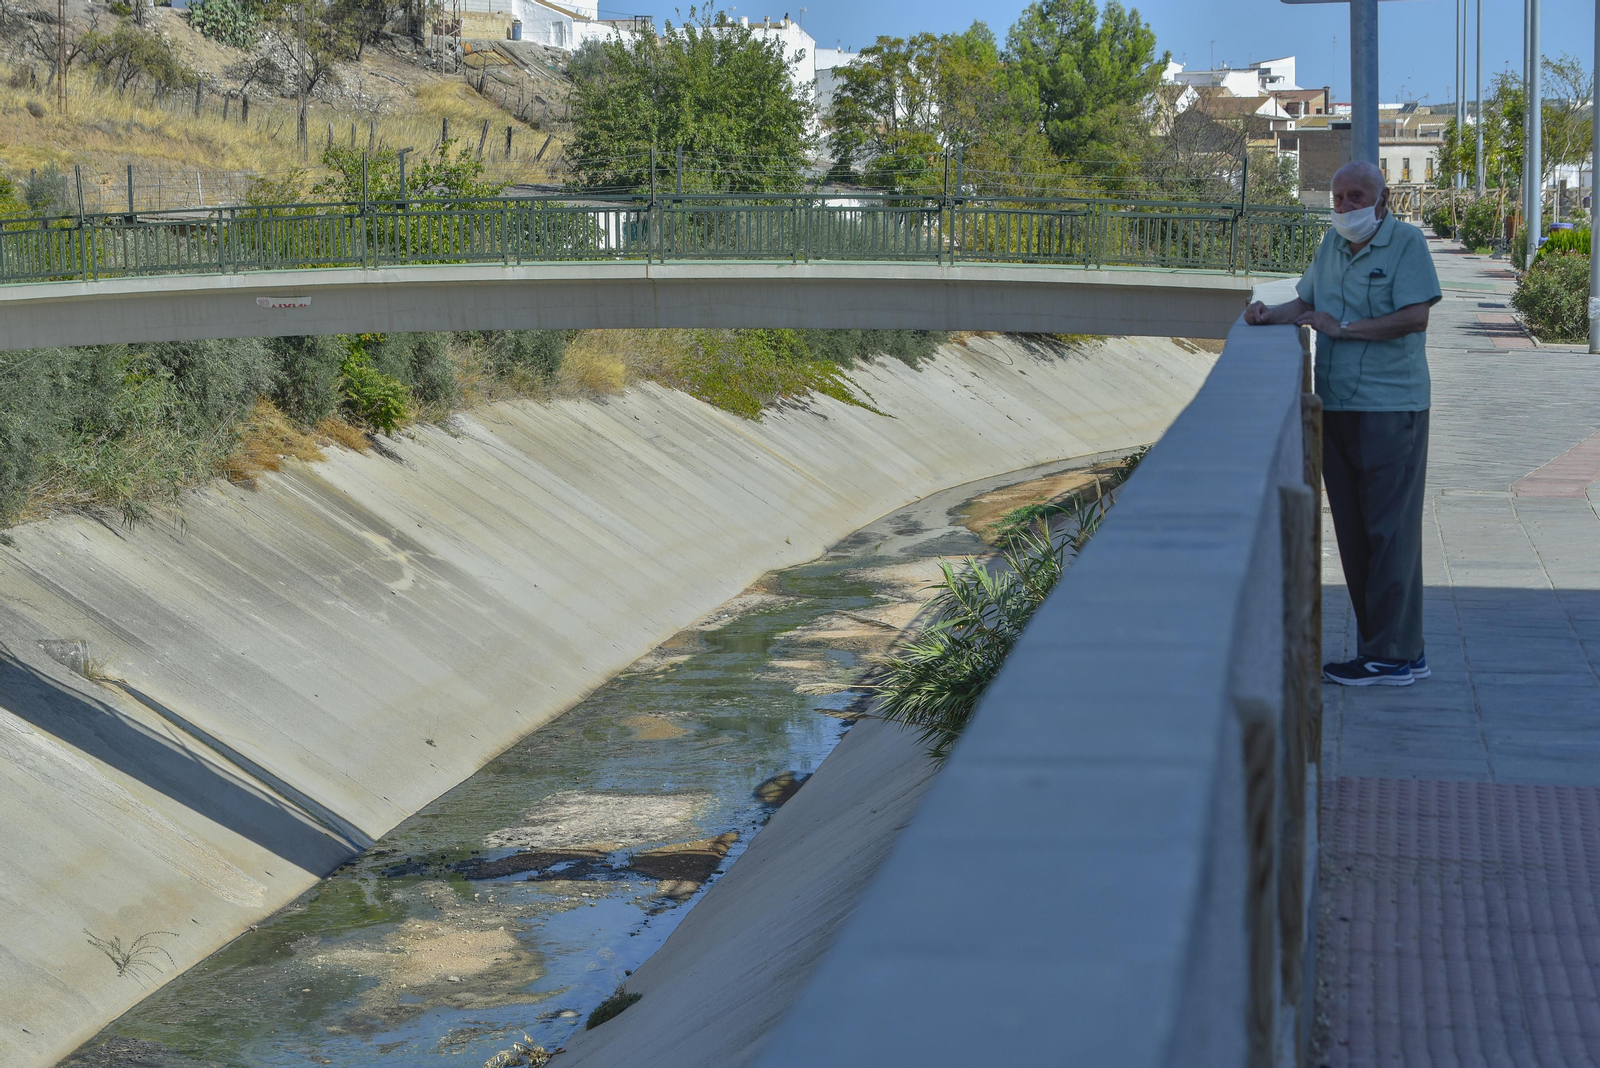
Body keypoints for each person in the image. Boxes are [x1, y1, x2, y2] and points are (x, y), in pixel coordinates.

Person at [1245, 160, 1442, 687]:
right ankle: (1391, 648)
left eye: (1357, 196)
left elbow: (1415, 316)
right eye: (1338, 198)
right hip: (1338, 405)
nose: (1346, 206)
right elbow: (1308, 301)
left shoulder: (1405, 244)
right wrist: (1269, 314)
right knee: (1355, 534)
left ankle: (1394, 655)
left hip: (1392, 406)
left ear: (1382, 201)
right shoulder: (1331, 246)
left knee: (1390, 532)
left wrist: (1345, 329)